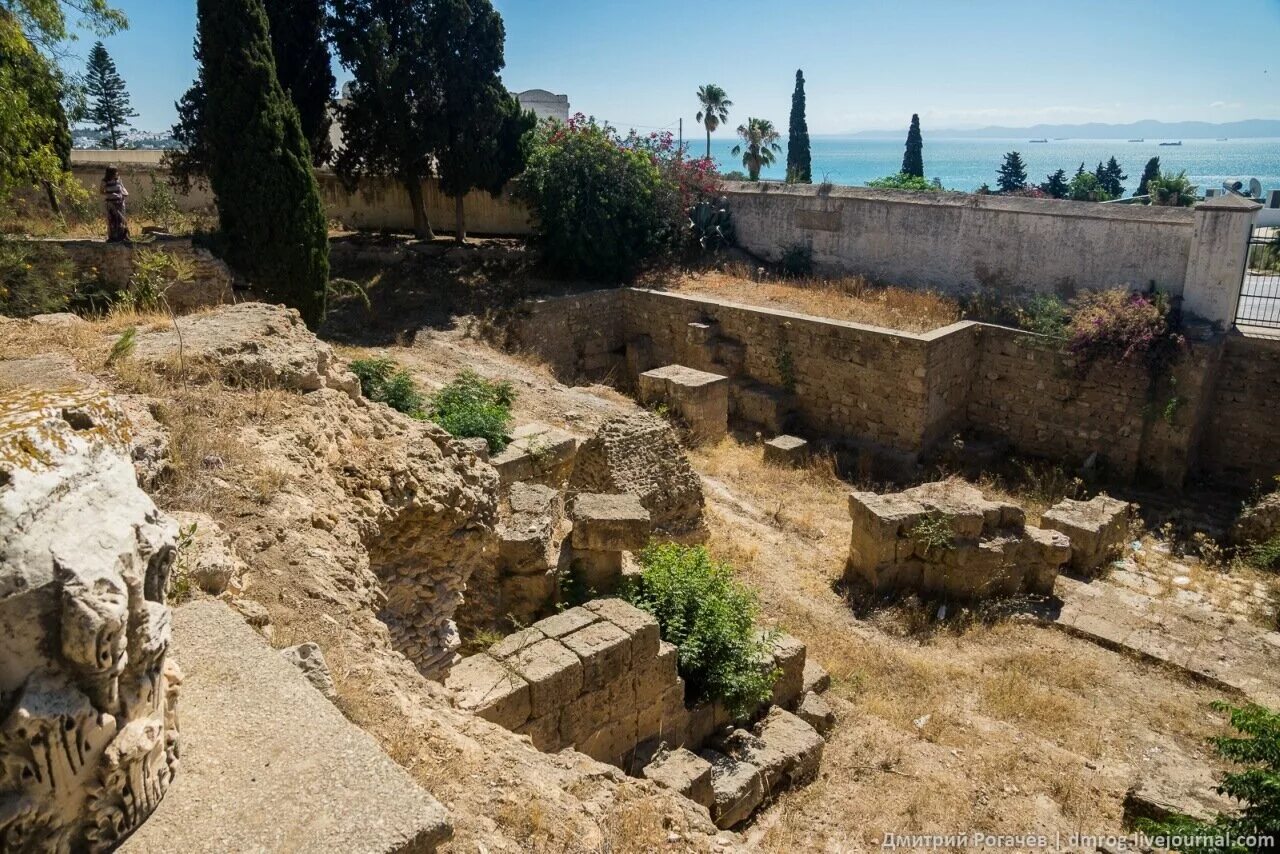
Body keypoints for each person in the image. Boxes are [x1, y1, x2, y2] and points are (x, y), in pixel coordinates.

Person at [101, 166, 130, 243]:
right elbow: (101, 191)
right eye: (115, 172)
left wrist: (125, 193)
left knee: (121, 220)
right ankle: (112, 237)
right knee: (112, 220)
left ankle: (122, 236)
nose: (117, 173)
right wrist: (110, 194)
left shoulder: (118, 180)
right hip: (111, 204)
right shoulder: (105, 181)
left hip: (120, 203)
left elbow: (122, 188)